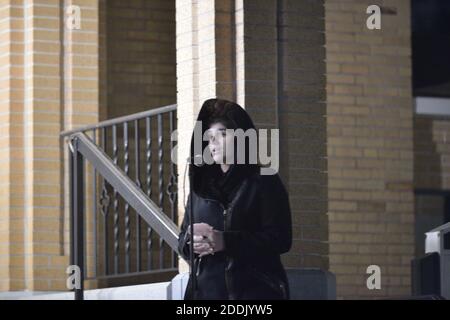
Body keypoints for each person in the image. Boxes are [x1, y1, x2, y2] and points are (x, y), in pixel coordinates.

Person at [178, 98, 292, 300]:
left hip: (255, 294)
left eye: (222, 134)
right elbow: (182, 243)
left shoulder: (263, 181)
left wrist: (226, 241)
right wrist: (191, 243)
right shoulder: (200, 190)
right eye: (209, 136)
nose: (213, 143)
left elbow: (281, 239)